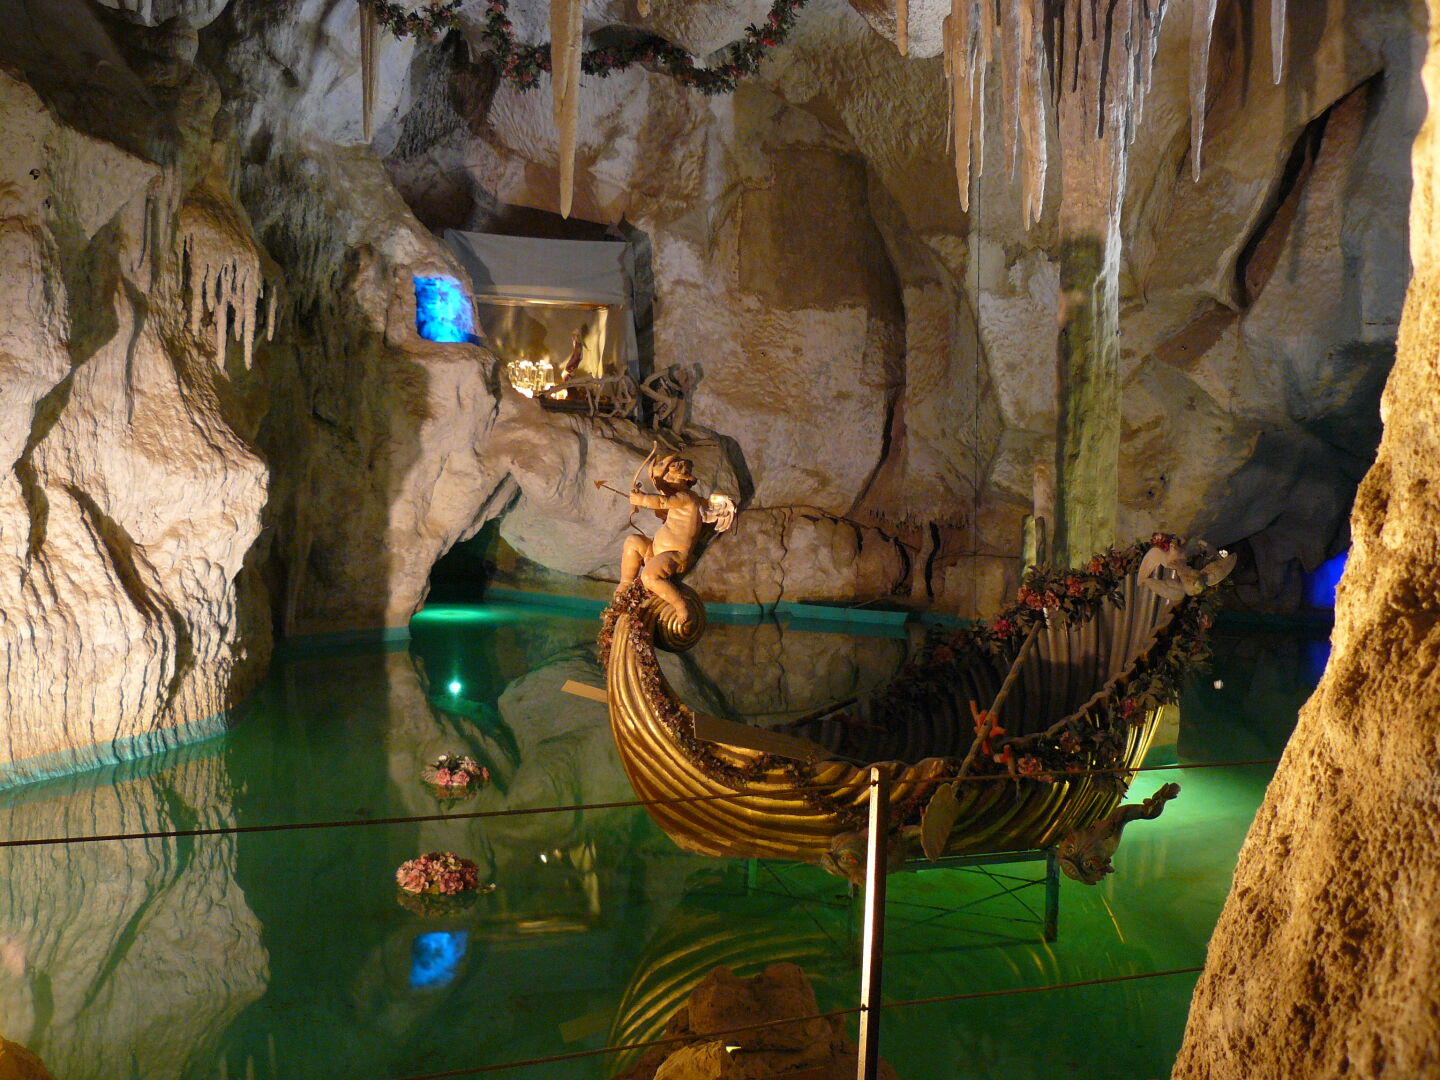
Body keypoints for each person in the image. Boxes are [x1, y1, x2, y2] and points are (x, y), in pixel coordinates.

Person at [618, 453, 705, 625]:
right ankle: (625, 585)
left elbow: (662, 502)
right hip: (657, 553)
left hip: (675, 557)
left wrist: (642, 499)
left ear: (685, 480)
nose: (664, 484)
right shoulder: (676, 498)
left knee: (649, 577)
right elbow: (662, 498)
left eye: (669, 480)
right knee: (633, 542)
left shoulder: (688, 498)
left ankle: (681, 605)